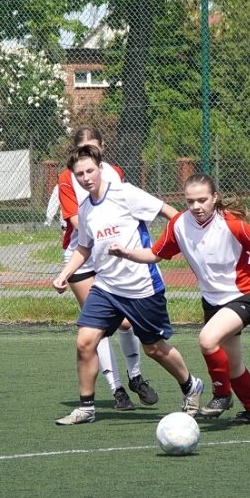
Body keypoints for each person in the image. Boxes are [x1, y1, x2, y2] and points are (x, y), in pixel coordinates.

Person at [109, 174, 250, 425]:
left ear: (215, 198)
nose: (196, 206)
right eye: (190, 201)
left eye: (202, 200)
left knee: (207, 340)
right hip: (213, 301)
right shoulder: (179, 224)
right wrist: (126, 253)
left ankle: (222, 395)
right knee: (233, 365)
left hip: (244, 294)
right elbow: (155, 254)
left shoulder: (230, 223)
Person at [52, 144, 203, 425]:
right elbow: (84, 247)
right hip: (106, 288)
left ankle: (190, 385)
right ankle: (86, 407)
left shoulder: (125, 193)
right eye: (79, 174)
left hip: (141, 287)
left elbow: (170, 212)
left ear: (100, 168)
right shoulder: (85, 210)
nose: (85, 178)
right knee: (85, 342)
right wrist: (65, 273)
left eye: (89, 171)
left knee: (154, 348)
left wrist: (172, 246)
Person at [57, 125, 157, 411]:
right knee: (95, 327)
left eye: (94, 145)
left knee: (126, 322)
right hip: (82, 255)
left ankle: (135, 376)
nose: (89, 149)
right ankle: (117, 390)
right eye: (83, 145)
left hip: (113, 254)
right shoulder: (67, 178)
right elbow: (79, 223)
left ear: (101, 148)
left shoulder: (113, 173)